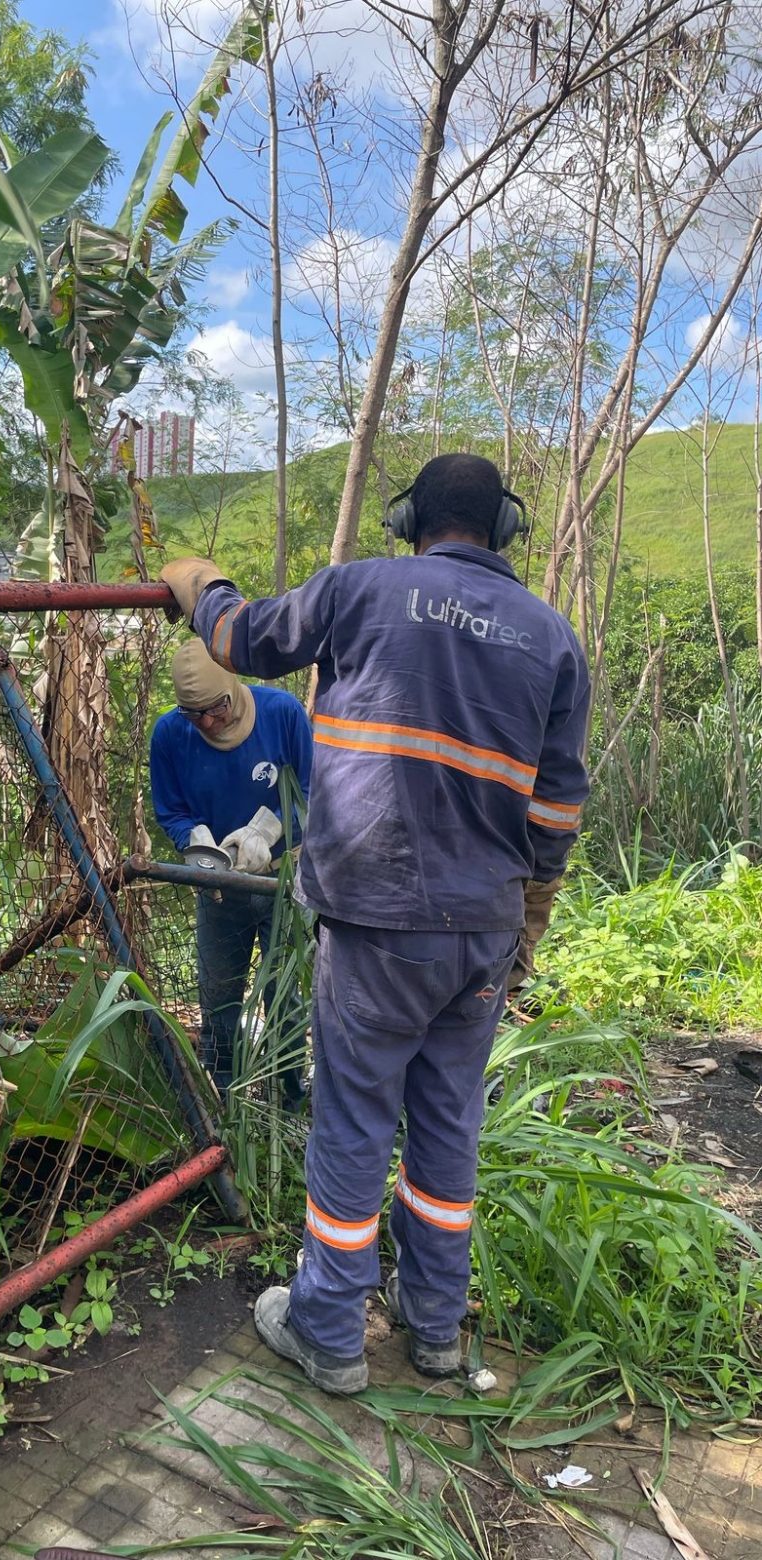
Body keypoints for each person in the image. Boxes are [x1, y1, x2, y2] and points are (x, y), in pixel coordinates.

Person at [160, 453, 590, 1394]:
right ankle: (434, 1329)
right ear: (505, 529)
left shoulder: (363, 590)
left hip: (375, 922)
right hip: (482, 931)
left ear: (406, 520)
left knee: (354, 1121)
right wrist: (529, 926)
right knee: (447, 1130)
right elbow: (556, 815)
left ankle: (329, 1332)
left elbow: (238, 635)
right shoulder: (552, 639)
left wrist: (199, 581)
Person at [149, 638, 313, 1107]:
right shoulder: (170, 735)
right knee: (219, 995)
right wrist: (194, 838)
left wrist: (272, 828)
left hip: (283, 881)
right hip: (218, 886)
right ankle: (224, 1096)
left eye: (215, 708)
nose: (206, 721)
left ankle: (290, 1095)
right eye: (192, 712)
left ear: (233, 686)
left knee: (285, 995)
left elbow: (314, 787)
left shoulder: (281, 713)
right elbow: (172, 809)